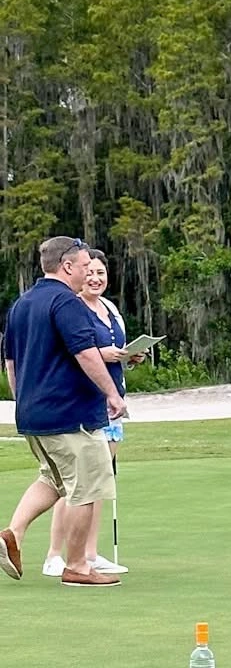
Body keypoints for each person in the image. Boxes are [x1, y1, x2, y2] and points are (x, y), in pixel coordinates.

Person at [0, 235, 128, 588]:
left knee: (53, 479)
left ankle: (12, 534)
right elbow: (85, 353)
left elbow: (10, 362)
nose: (89, 272)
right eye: (85, 266)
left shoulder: (22, 304)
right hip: (72, 415)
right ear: (67, 266)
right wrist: (112, 394)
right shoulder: (67, 303)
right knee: (86, 487)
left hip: (34, 414)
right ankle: (77, 567)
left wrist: (23, 400)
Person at [42, 248, 140, 576]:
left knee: (97, 483)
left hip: (113, 406)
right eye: (90, 272)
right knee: (74, 484)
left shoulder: (110, 308)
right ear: (78, 273)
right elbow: (73, 354)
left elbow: (114, 352)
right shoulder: (71, 308)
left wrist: (129, 357)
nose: (95, 278)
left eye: (101, 273)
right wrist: (103, 354)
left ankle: (89, 553)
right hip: (83, 404)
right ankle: (55, 555)